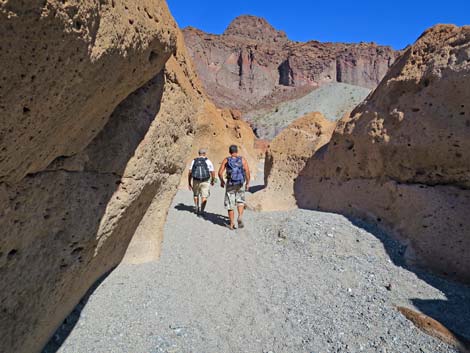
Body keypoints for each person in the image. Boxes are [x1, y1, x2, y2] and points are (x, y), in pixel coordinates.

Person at [218, 145, 251, 230]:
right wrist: (247, 183)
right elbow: (247, 172)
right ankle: (240, 217)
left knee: (230, 203)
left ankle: (232, 224)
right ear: (237, 151)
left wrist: (222, 181)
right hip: (240, 183)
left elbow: (220, 172)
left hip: (230, 184)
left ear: (230, 152)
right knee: (240, 201)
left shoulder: (227, 160)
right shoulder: (242, 159)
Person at [188, 148, 215, 216]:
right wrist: (212, 180)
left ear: (199, 153)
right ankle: (202, 211)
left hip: (195, 180)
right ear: (205, 154)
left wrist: (189, 182)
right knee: (204, 196)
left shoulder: (194, 161)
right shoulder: (208, 161)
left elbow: (190, 172)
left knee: (195, 194)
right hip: (205, 181)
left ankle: (197, 208)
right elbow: (212, 172)